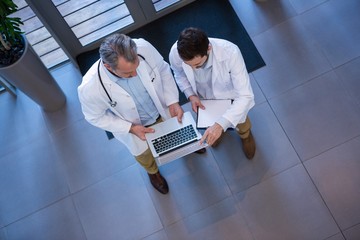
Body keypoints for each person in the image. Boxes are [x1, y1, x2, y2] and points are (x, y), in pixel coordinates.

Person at [78, 33, 185, 194]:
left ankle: (185, 147)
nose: (135, 74)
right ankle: (153, 172)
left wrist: (172, 101)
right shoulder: (90, 87)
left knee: (176, 132)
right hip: (135, 128)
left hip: (160, 109)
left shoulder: (142, 47)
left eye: (137, 66)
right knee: (144, 154)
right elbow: (94, 117)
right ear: (108, 66)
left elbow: (163, 69)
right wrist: (130, 128)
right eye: (128, 74)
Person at [169, 27, 256, 159]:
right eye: (188, 65)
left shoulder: (230, 52)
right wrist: (190, 94)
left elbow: (245, 96)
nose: (193, 68)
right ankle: (217, 132)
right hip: (204, 97)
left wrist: (220, 125)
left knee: (241, 123)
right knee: (211, 121)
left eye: (197, 64)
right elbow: (179, 74)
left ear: (208, 48)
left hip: (231, 98)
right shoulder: (176, 52)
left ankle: (245, 135)